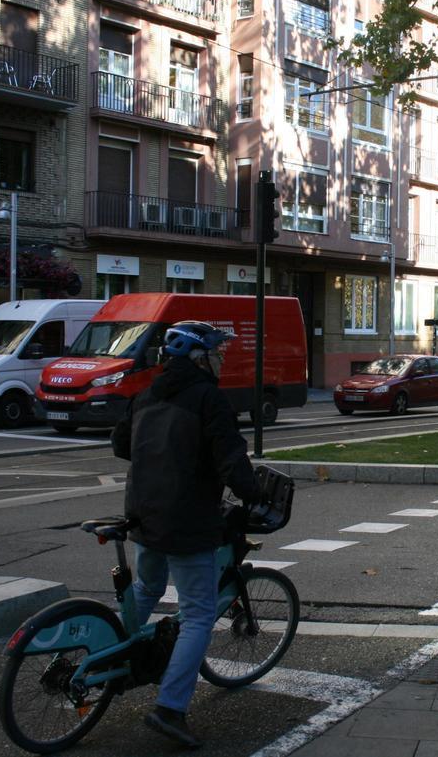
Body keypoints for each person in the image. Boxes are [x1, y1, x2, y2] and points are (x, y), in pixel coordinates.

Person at [111, 320, 258, 748]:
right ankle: (170, 708)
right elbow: (230, 457)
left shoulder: (145, 394)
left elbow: (121, 445)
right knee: (197, 613)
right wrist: (251, 495)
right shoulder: (208, 398)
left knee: (147, 587)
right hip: (188, 519)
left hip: (143, 514)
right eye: (214, 353)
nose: (217, 361)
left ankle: (120, 660)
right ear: (198, 357)